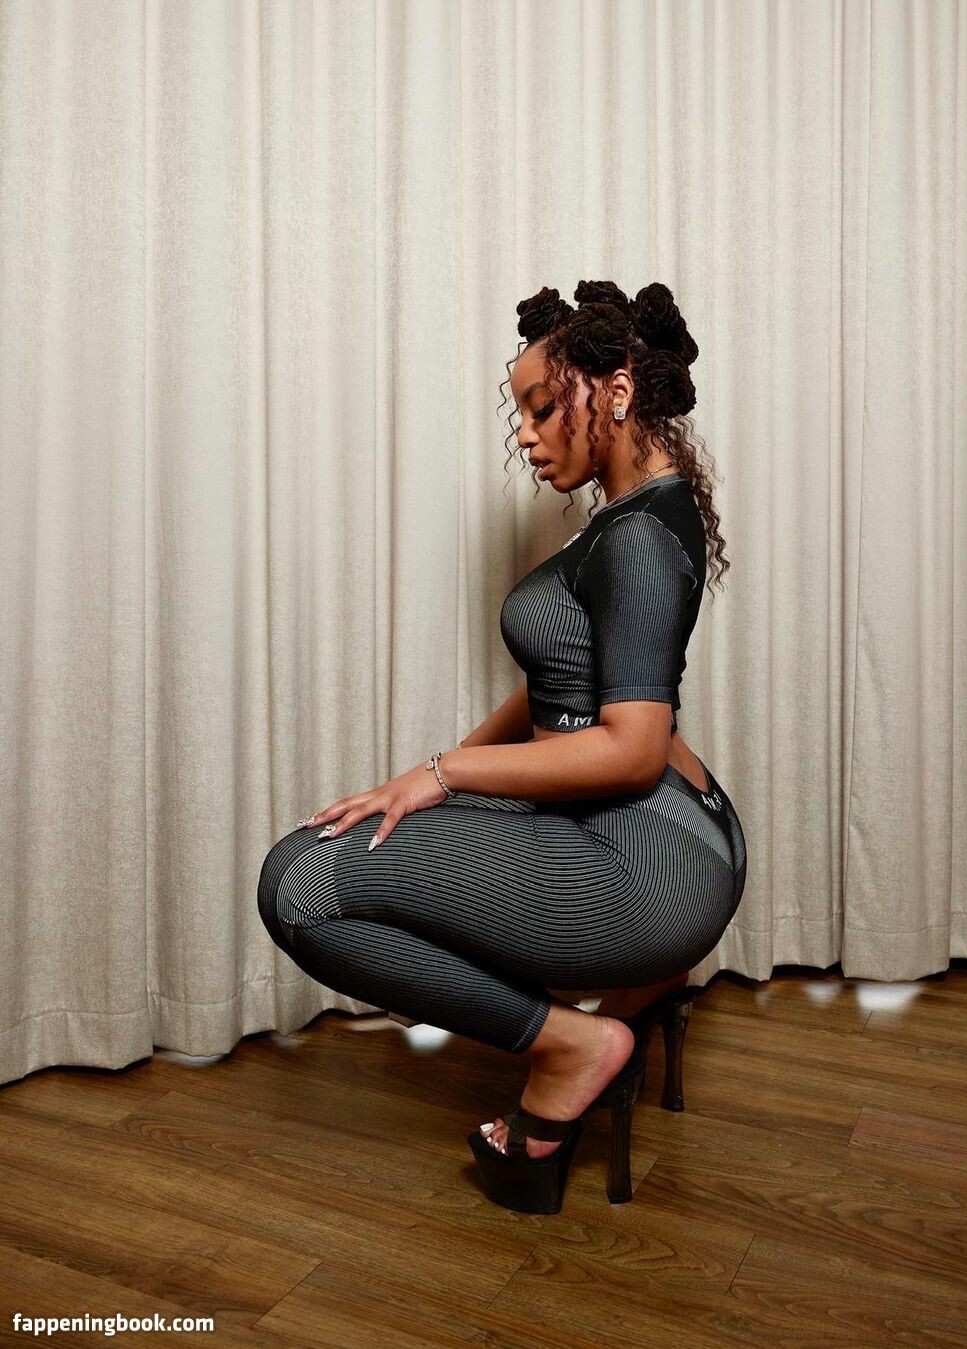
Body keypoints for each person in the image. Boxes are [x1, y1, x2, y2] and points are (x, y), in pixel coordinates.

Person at [257, 279, 747, 1213]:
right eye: (519, 411)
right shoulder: (639, 511)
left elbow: (633, 750)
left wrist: (443, 774)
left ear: (614, 392)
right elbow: (560, 680)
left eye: (540, 407)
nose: (524, 434)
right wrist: (439, 774)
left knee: (300, 885)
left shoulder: (638, 538)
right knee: (354, 847)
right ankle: (638, 990)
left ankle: (576, 1045)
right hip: (673, 836)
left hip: (645, 861)